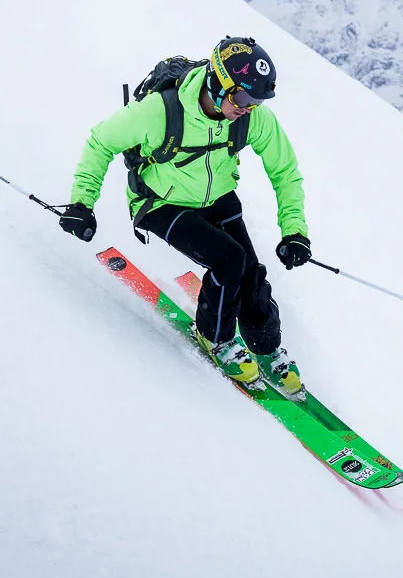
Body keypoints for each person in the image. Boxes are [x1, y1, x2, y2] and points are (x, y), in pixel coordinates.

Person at [58, 35, 313, 399]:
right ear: (217, 82)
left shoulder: (250, 118)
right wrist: (81, 204)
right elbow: (101, 141)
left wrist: (295, 232)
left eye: (257, 101)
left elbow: (284, 170)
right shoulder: (160, 111)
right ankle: (216, 338)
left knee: (251, 271)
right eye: (243, 98)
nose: (249, 108)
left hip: (215, 194)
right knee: (229, 261)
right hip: (161, 202)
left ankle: (266, 346)